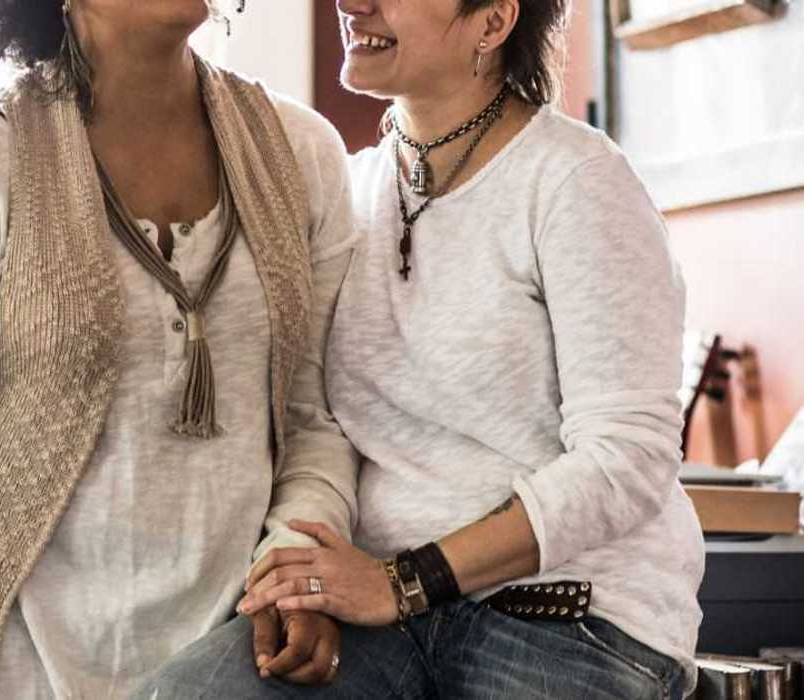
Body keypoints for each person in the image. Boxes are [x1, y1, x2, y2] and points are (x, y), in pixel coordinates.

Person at [135, 0, 705, 698]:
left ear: (492, 25)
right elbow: (321, 425)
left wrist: (402, 582)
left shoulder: (575, 181)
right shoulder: (346, 190)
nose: (351, 4)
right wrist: (304, 582)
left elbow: (628, 455)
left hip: (565, 612)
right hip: (379, 614)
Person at [0, 1, 360, 697]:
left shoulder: (299, 151)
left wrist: (296, 562)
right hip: (18, 672)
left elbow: (316, 417)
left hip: (233, 669)